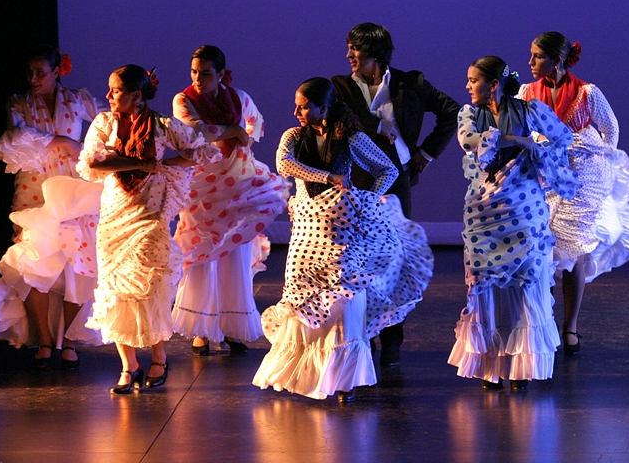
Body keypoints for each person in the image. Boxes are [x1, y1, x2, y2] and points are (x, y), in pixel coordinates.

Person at [253, 78, 433, 402]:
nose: (297, 111)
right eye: (297, 104)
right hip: (307, 233)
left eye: (305, 105)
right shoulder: (293, 137)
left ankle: (344, 379)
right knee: (305, 300)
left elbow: (388, 171)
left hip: (340, 231)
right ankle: (314, 375)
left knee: (343, 298)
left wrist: (364, 200)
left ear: (325, 107)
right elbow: (284, 164)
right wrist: (328, 177)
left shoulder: (350, 137)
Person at [77, 64, 219, 393]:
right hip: (115, 215)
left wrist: (164, 164)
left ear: (136, 96)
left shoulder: (161, 125)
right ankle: (128, 366)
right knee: (114, 286)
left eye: (116, 91)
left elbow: (201, 151)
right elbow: (92, 162)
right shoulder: (104, 122)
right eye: (110, 90)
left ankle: (159, 358)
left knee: (150, 284)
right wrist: (139, 163)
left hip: (151, 211)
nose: (109, 96)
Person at [331, 22, 460, 366]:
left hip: (397, 183)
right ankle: (361, 335)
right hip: (356, 183)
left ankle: (391, 338)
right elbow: (336, 122)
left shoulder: (409, 83)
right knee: (357, 261)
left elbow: (452, 112)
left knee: (391, 259)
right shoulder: (339, 87)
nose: (348, 55)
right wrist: (376, 127)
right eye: (348, 47)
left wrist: (426, 154)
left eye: (354, 49)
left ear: (374, 53)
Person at [448, 56, 580, 391]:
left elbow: (562, 138)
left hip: (523, 209)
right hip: (486, 210)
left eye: (473, 80)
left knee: (524, 284)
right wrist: (516, 141)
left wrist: (527, 144)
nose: (467, 86)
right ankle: (492, 366)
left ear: (493, 84)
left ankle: (521, 365)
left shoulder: (528, 110)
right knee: (486, 285)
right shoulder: (468, 114)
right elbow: (470, 142)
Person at [0, 45, 102, 369]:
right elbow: (17, 134)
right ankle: (45, 338)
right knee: (31, 262)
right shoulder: (19, 102)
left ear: (57, 72)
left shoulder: (77, 99)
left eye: (40, 72)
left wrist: (90, 150)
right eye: (30, 72)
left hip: (73, 190)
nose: (33, 78)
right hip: (34, 190)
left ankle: (69, 339)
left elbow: (106, 121)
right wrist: (63, 141)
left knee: (78, 264)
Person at [519, 32, 629, 355]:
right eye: (531, 56)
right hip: (544, 172)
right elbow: (520, 129)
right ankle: (540, 322)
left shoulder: (588, 93)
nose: (531, 62)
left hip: (582, 175)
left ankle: (570, 324)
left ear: (557, 60)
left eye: (537, 56)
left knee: (574, 248)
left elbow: (611, 131)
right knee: (539, 246)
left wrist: (592, 160)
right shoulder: (527, 92)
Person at [171, 45, 288, 356]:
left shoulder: (239, 97)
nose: (198, 78)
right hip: (202, 186)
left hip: (236, 182)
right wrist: (232, 130)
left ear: (221, 74)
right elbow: (197, 131)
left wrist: (243, 139)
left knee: (233, 254)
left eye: (206, 73)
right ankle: (202, 329)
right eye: (194, 72)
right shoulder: (183, 100)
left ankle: (230, 327)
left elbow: (255, 124)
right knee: (202, 251)